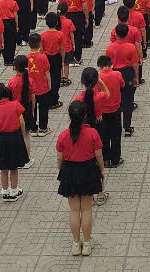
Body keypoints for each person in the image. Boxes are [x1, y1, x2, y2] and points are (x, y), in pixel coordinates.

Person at [57, 99, 106, 256]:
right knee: (86, 209)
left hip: (69, 172)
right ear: (85, 115)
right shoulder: (92, 133)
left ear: (70, 115)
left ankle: (75, 243)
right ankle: (87, 243)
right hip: (88, 171)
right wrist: (102, 170)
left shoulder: (63, 135)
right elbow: (99, 155)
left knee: (73, 209)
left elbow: (60, 158)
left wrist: (62, 172)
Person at [0, 82, 29, 201]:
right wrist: (22, 135)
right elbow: (22, 122)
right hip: (15, 137)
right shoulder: (15, 104)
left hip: (2, 138)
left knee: (3, 167)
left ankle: (5, 191)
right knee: (14, 167)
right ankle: (14, 190)